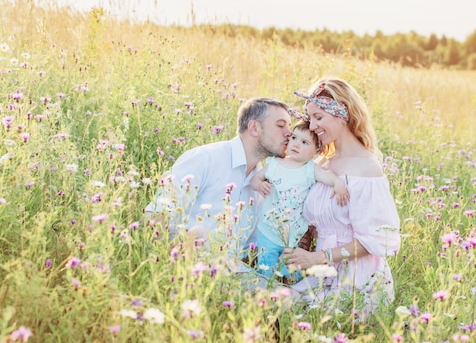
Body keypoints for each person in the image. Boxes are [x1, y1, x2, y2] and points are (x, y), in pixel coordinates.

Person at [281, 77, 401, 315]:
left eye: (318, 117)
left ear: (342, 113)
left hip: (357, 279)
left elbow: (375, 240)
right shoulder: (322, 162)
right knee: (276, 303)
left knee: (301, 318)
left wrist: (318, 257)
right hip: (321, 272)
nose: (312, 126)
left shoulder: (366, 169)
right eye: (309, 118)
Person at [144, 97, 292, 261]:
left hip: (233, 274)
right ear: (254, 128)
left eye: (289, 126)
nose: (289, 133)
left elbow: (252, 249)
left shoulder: (263, 183)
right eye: (280, 125)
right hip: (185, 269)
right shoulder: (205, 158)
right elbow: (156, 214)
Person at [250, 121, 349, 283]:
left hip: (293, 235)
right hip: (268, 230)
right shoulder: (275, 163)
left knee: (291, 272)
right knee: (265, 269)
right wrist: (260, 185)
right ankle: (265, 294)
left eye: (304, 142)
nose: (296, 144)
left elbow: (327, 176)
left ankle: (289, 293)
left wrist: (338, 183)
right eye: (294, 138)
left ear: (316, 151)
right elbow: (254, 179)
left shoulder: (310, 169)